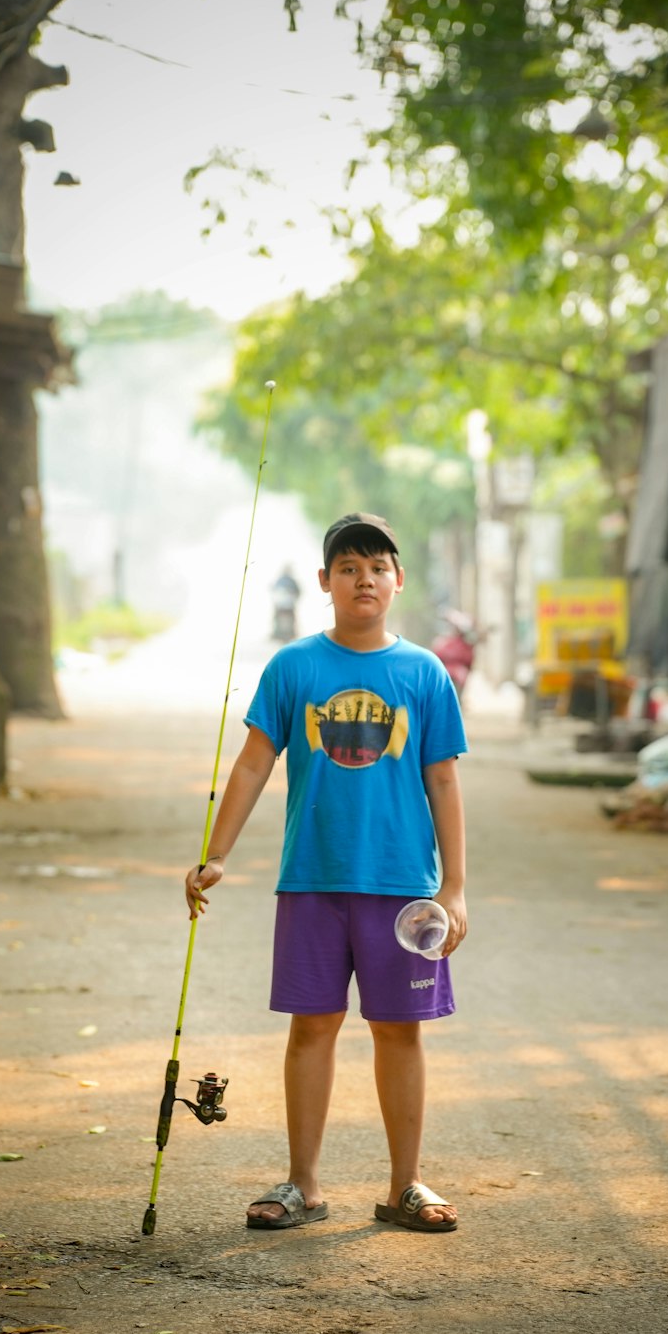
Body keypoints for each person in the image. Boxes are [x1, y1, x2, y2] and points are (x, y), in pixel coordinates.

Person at [185, 512, 468, 1234]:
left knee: (399, 1032)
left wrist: (455, 889)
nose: (363, 578)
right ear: (324, 583)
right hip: (311, 880)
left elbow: (442, 780)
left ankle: (406, 1185)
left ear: (397, 580)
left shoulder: (424, 673)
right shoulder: (295, 668)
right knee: (312, 1027)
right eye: (348, 568)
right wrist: (217, 853)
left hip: (404, 890)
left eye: (377, 566)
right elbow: (253, 762)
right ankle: (301, 1185)